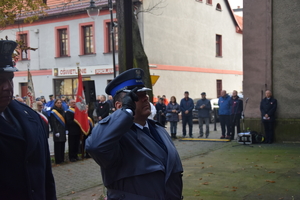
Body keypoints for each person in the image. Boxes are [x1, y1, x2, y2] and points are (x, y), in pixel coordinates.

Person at [86, 68, 183, 200]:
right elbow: (95, 146)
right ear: (120, 106)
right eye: (136, 96)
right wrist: (125, 114)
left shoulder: (158, 129)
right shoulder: (116, 137)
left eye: (145, 94)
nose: (145, 99)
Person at [0, 40, 56, 199]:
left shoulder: (31, 117)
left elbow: (46, 178)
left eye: (10, 79)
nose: (7, 87)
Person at [51, 98, 67, 164]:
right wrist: (56, 131)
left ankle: (62, 159)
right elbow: (53, 122)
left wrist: (66, 129)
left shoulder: (62, 110)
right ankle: (58, 160)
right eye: (58, 103)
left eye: (60, 103)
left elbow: (65, 120)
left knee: (62, 144)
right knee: (58, 146)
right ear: (55, 104)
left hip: (63, 129)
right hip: (57, 130)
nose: (59, 104)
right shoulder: (53, 112)